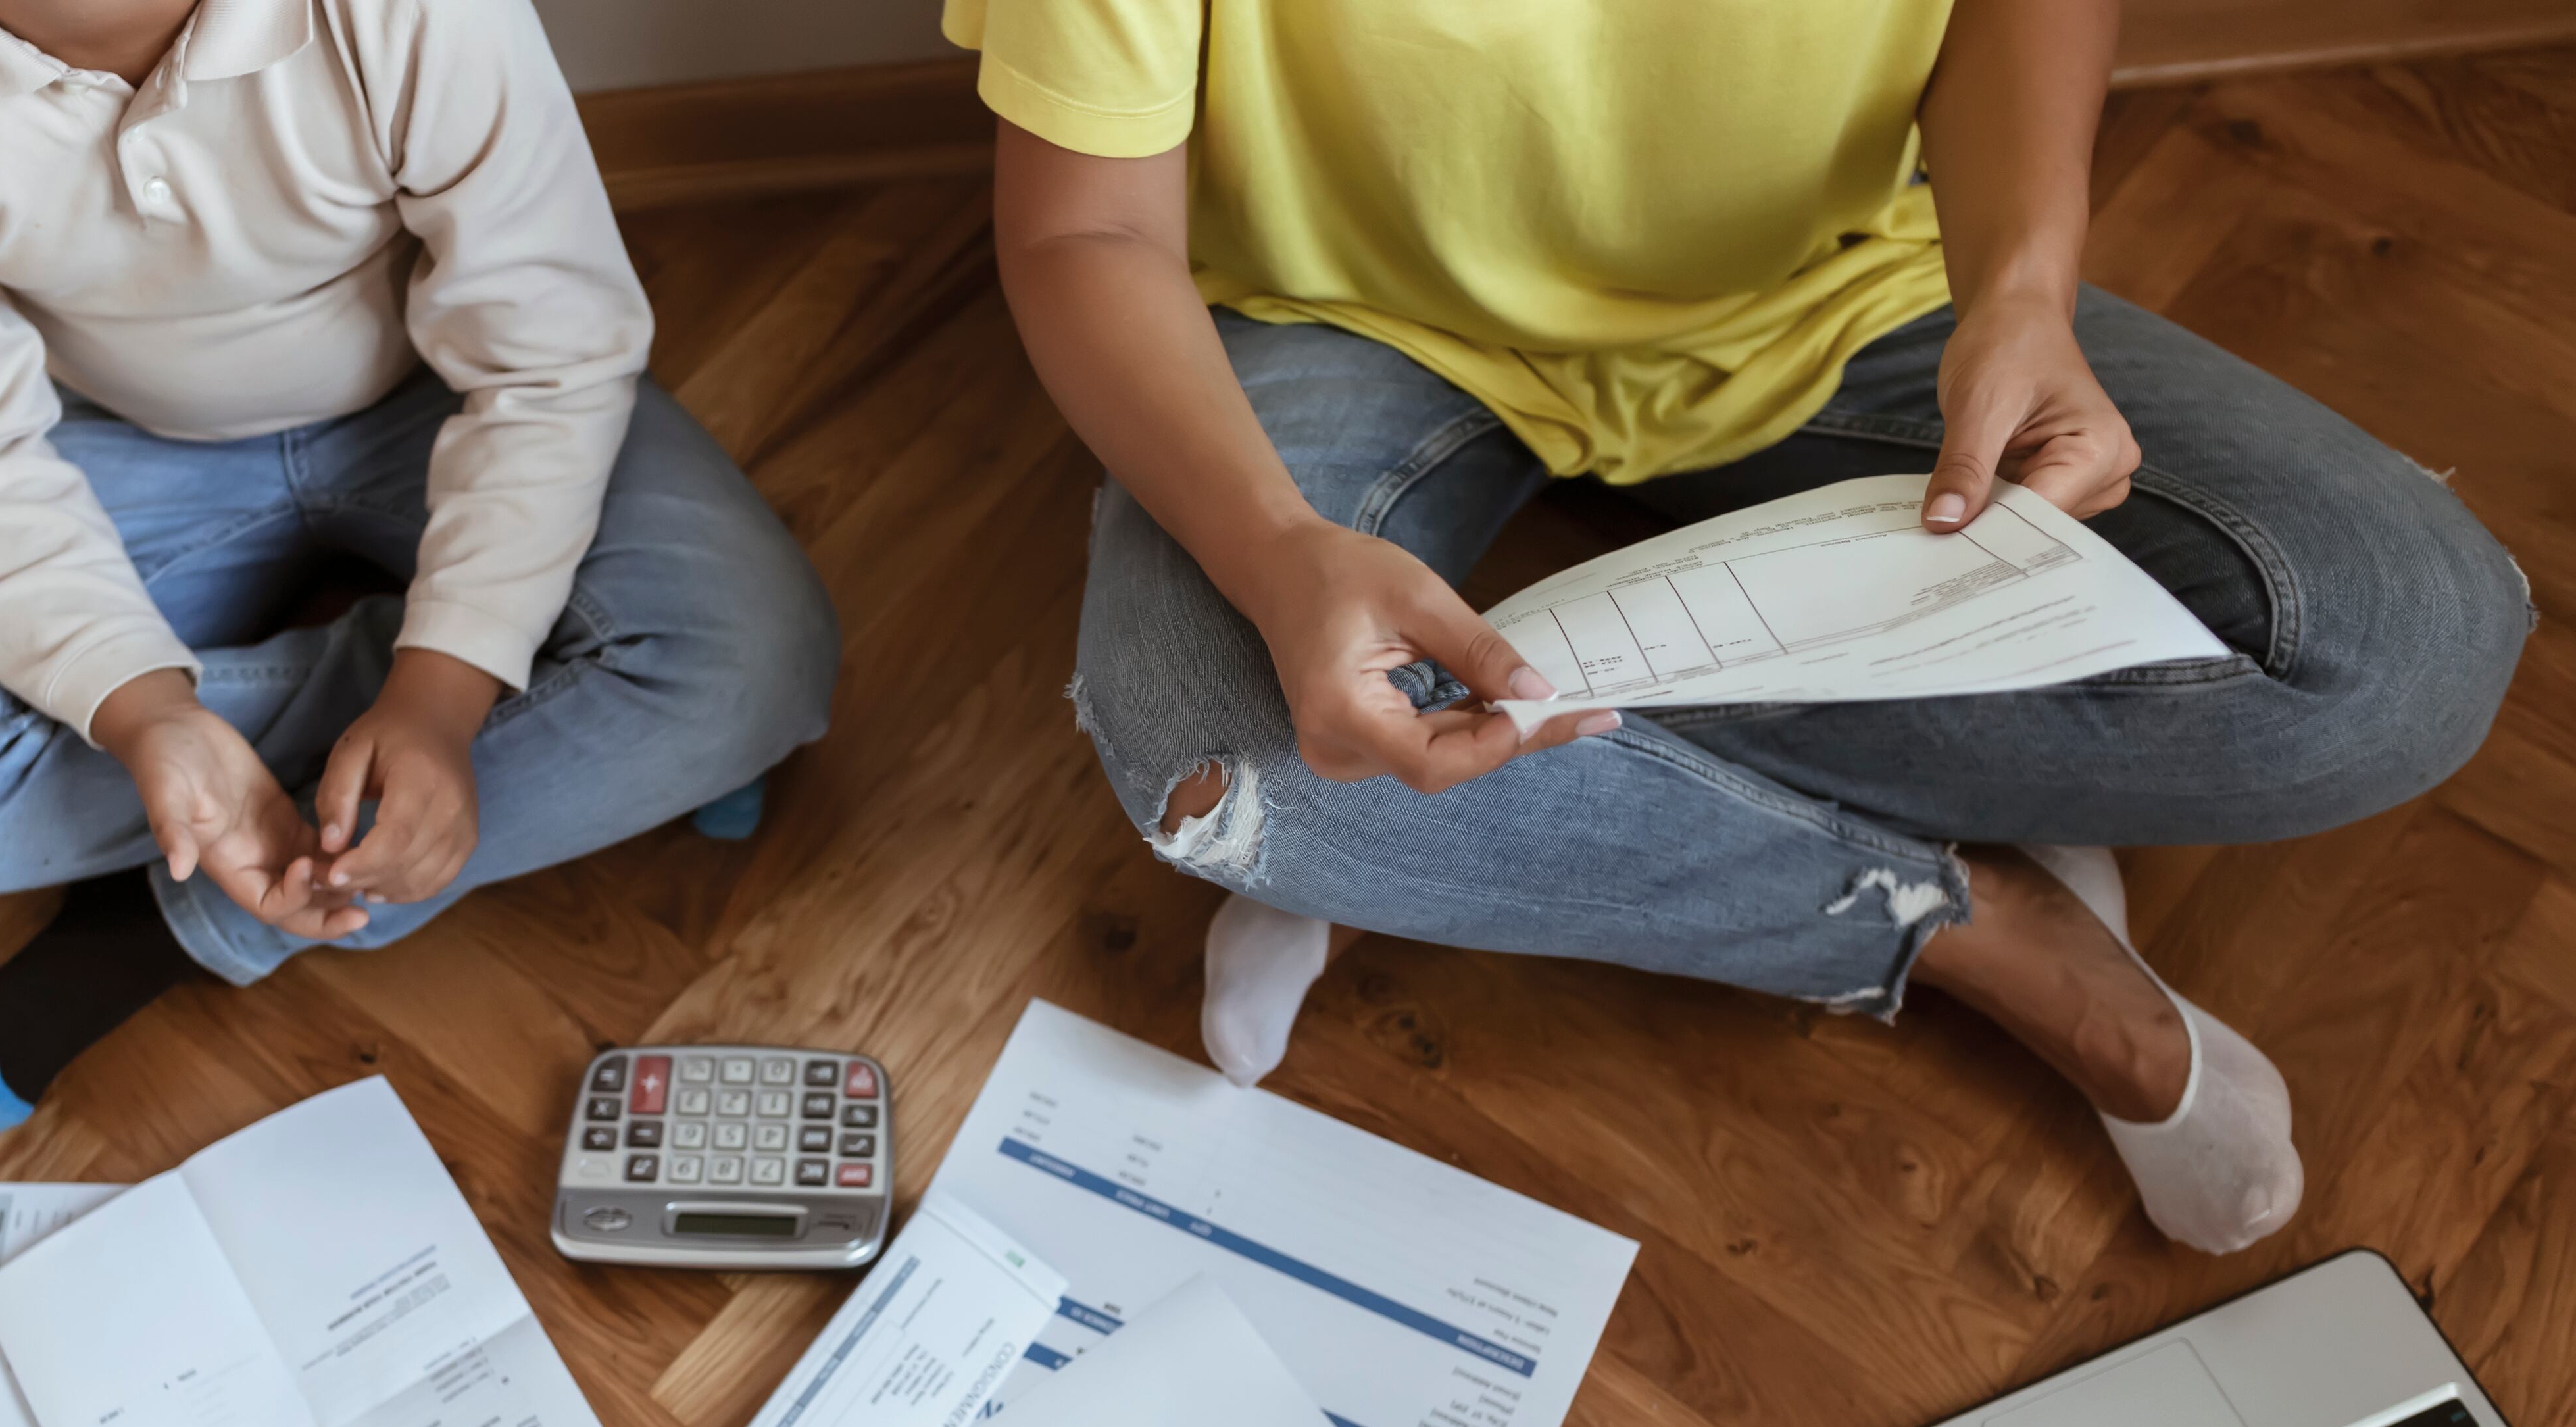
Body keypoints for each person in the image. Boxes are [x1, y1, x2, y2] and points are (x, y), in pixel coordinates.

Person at [966, 0, 2526, 1252]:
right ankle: (1972, 925)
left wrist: (2023, 293)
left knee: (2405, 643)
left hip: (1833, 293)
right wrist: (1276, 549)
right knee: (1225, 772)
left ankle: (1492, 805)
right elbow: (1081, 232)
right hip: (1335, 317)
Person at [0, 0, 839, 1132]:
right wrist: (142, 712)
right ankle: (576, 705)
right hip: (113, 436)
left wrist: (443, 693)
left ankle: (150, 933)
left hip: (442, 390)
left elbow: (546, 351)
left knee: (758, 655)